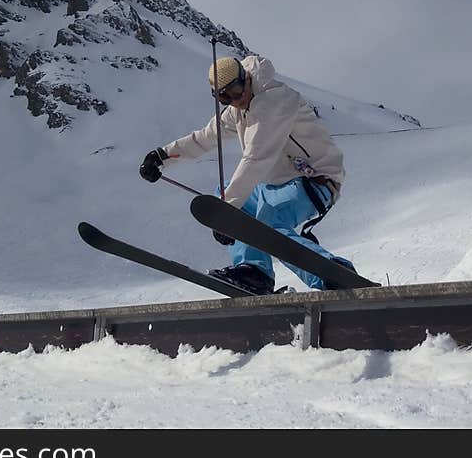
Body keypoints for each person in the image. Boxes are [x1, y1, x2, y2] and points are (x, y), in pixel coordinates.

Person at [139, 55, 356, 293]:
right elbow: (206, 137)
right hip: (274, 185)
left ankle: (332, 275)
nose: (235, 99)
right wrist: (162, 156)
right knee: (224, 195)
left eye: (237, 89)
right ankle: (254, 272)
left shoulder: (274, 100)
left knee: (268, 225)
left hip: (315, 180)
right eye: (225, 97)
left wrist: (225, 213)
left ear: (246, 78)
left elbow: (255, 159)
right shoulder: (237, 110)